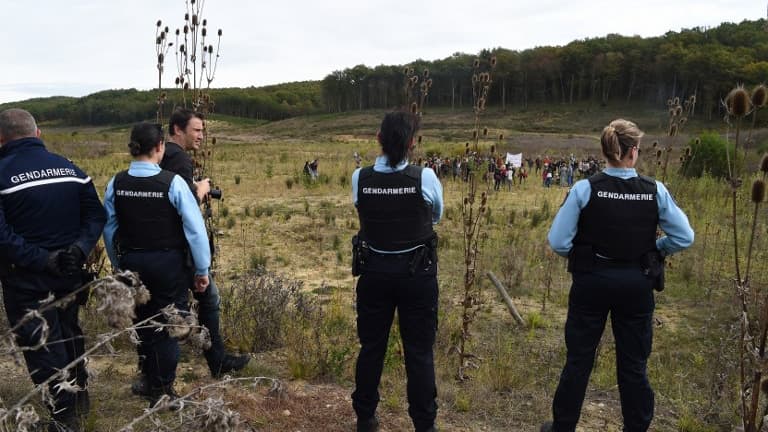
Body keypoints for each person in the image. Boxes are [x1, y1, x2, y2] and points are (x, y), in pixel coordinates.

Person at [541, 119, 694, 432]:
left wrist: (581, 255)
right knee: (634, 365)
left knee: (578, 361)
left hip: (592, 281)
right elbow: (684, 236)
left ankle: (563, 427)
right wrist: (658, 248)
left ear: (606, 151)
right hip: (636, 284)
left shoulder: (585, 189)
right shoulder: (654, 191)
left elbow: (558, 242)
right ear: (633, 152)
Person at [0, 108, 106, 432]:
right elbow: (96, 216)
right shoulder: (71, 169)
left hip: (26, 280)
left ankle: (65, 420)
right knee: (70, 332)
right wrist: (78, 250)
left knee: (41, 345)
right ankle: (79, 399)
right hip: (70, 273)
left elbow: (2, 236)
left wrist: (43, 258)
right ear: (38, 134)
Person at [103, 122, 211, 408]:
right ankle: (162, 391)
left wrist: (118, 264)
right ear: (160, 147)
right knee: (168, 325)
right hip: (168, 263)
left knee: (142, 322)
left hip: (132, 262)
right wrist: (202, 269)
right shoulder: (172, 183)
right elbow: (195, 230)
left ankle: (148, 380)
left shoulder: (117, 182)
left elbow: (110, 229)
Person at [351, 110, 443, 432]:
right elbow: (436, 215)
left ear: (378, 140)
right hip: (417, 276)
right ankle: (424, 425)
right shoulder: (425, 177)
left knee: (371, 347)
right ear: (412, 143)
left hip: (374, 272)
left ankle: (365, 417)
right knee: (419, 353)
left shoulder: (359, 178)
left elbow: (361, 210)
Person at [147, 108, 249, 383]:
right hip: (181, 248)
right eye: (197, 130)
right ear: (177, 130)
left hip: (157, 247)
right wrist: (200, 190)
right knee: (207, 300)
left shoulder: (160, 156)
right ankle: (217, 361)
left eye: (203, 130)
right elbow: (183, 208)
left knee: (157, 311)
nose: (202, 136)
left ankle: (152, 373)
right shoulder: (179, 158)